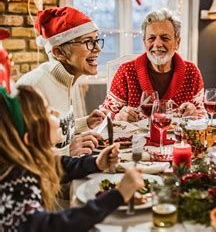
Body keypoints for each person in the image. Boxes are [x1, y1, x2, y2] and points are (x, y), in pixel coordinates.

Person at [0, 85, 144, 231]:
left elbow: (60, 165)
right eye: (48, 111)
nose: (56, 112)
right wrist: (118, 195)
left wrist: (96, 162)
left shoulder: (28, 161)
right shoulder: (15, 183)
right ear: (30, 138)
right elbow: (52, 226)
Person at [17, 6, 106, 156]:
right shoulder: (33, 87)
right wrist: (67, 151)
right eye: (88, 41)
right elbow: (18, 155)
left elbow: (52, 133)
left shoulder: (65, 78)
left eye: (96, 40)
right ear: (59, 53)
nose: (98, 48)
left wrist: (85, 123)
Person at [101, 8, 204, 122]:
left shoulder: (191, 71)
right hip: (135, 139)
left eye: (165, 38)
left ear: (177, 43)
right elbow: (104, 115)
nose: (158, 44)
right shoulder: (126, 71)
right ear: (144, 42)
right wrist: (117, 116)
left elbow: (202, 116)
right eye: (151, 38)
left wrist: (195, 114)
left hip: (178, 140)